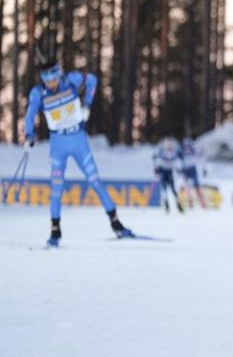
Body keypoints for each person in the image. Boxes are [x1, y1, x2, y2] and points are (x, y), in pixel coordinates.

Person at [24, 58, 134, 247]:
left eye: (54, 80)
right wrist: (29, 135)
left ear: (58, 74)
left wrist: (87, 105)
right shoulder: (38, 93)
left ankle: (116, 223)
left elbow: (92, 80)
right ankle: (55, 231)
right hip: (58, 144)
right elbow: (30, 114)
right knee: (56, 188)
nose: (51, 84)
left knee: (95, 181)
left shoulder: (70, 80)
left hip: (79, 140)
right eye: (47, 81)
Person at [153, 137, 185, 213]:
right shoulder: (161, 152)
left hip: (170, 172)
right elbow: (157, 161)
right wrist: (156, 169)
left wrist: (179, 169)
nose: (169, 145)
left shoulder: (174, 152)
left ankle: (178, 204)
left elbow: (177, 162)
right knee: (164, 189)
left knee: (173, 189)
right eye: (167, 144)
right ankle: (166, 204)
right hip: (163, 172)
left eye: (170, 144)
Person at [180, 137, 207, 208]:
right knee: (187, 187)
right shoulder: (181, 151)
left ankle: (202, 202)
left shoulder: (193, 150)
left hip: (192, 169)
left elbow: (201, 157)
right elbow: (177, 161)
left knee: (196, 185)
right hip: (185, 170)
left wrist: (204, 169)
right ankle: (190, 202)